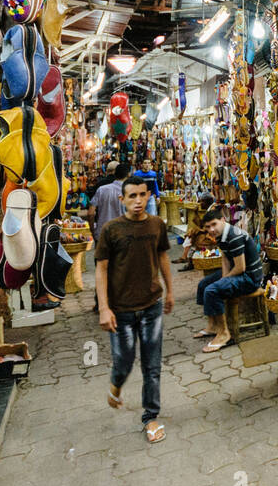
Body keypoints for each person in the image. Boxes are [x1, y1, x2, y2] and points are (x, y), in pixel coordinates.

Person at [96, 175, 175, 444]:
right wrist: (104, 308)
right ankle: (116, 385)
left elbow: (163, 256)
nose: (138, 201)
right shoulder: (111, 230)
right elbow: (101, 269)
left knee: (152, 366)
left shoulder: (156, 225)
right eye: (132, 196)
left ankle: (150, 417)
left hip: (151, 305)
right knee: (124, 361)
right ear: (122, 199)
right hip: (121, 311)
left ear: (149, 196)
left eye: (142, 195)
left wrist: (170, 291)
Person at [195, 207, 262, 353]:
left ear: (223, 220)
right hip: (238, 272)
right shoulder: (221, 234)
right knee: (203, 285)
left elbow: (240, 267)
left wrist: (223, 281)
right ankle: (212, 325)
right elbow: (225, 257)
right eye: (208, 227)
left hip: (250, 278)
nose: (211, 229)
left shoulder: (234, 235)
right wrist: (224, 277)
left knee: (212, 290)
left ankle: (224, 333)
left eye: (214, 224)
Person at [87, 161, 128, 313]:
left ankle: (100, 304)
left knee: (101, 270)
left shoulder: (102, 189)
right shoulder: (127, 191)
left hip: (102, 235)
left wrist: (93, 230)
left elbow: (91, 213)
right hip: (122, 236)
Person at [178, 194, 216, 270]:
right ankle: (188, 260)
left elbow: (209, 226)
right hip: (208, 233)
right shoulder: (209, 210)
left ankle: (188, 261)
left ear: (207, 202)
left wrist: (199, 231)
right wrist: (196, 213)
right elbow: (201, 224)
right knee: (192, 235)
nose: (200, 203)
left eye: (202, 201)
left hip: (213, 235)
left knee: (195, 238)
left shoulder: (212, 210)